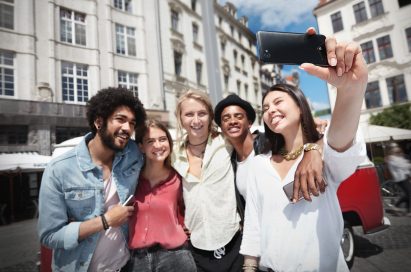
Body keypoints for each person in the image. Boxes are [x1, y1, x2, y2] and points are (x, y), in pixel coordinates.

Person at [240, 37, 368, 272]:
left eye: (278, 101)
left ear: (300, 106)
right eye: (265, 108)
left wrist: (351, 89)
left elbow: (340, 140)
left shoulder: (325, 156)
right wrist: (249, 268)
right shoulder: (259, 164)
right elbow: (253, 225)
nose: (271, 110)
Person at [38, 87, 146, 272]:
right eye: (120, 119)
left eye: (132, 123)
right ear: (98, 122)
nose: (127, 128)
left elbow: (162, 152)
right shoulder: (60, 169)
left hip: (125, 265)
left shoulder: (133, 154)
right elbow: (50, 235)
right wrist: (105, 221)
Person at [214, 94, 326, 224]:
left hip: (294, 222)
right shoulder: (230, 160)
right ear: (221, 127)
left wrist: (315, 145)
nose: (232, 121)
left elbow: (311, 140)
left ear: (249, 122)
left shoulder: (270, 143)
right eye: (226, 118)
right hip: (259, 234)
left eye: (238, 116)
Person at [172, 90, 242, 272]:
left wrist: (311, 148)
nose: (196, 120)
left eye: (201, 113)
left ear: (210, 116)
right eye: (189, 114)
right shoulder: (172, 153)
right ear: (180, 118)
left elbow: (261, 143)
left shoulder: (226, 141)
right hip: (196, 247)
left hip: (233, 241)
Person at [128, 119, 196, 271]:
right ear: (141, 147)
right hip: (137, 261)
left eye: (162, 139)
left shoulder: (179, 177)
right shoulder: (131, 179)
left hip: (176, 258)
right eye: (150, 141)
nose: (158, 145)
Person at [385, 143, 411, 215]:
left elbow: (404, 163)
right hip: (400, 178)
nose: (396, 149)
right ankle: (403, 208)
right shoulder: (391, 158)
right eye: (394, 148)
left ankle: (407, 209)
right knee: (409, 193)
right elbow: (401, 165)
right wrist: (408, 164)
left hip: (404, 177)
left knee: (408, 193)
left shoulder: (397, 157)